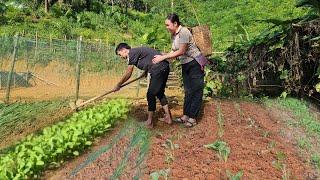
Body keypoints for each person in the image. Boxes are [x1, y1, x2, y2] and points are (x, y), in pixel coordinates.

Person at [152, 13, 205, 128]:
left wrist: (163, 57)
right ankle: (186, 115)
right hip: (185, 64)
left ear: (175, 23)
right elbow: (173, 53)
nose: (166, 27)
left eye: (168, 25)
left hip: (195, 62)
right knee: (188, 90)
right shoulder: (174, 35)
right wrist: (162, 56)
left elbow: (181, 51)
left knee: (196, 90)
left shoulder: (184, 32)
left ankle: (193, 117)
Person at [113, 43, 172, 128]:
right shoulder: (136, 52)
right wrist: (145, 72)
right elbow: (148, 60)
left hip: (158, 69)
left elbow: (128, 73)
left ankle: (149, 121)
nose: (121, 57)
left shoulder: (131, 53)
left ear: (123, 50)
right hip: (164, 67)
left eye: (120, 54)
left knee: (150, 94)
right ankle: (168, 118)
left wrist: (118, 85)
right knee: (159, 93)